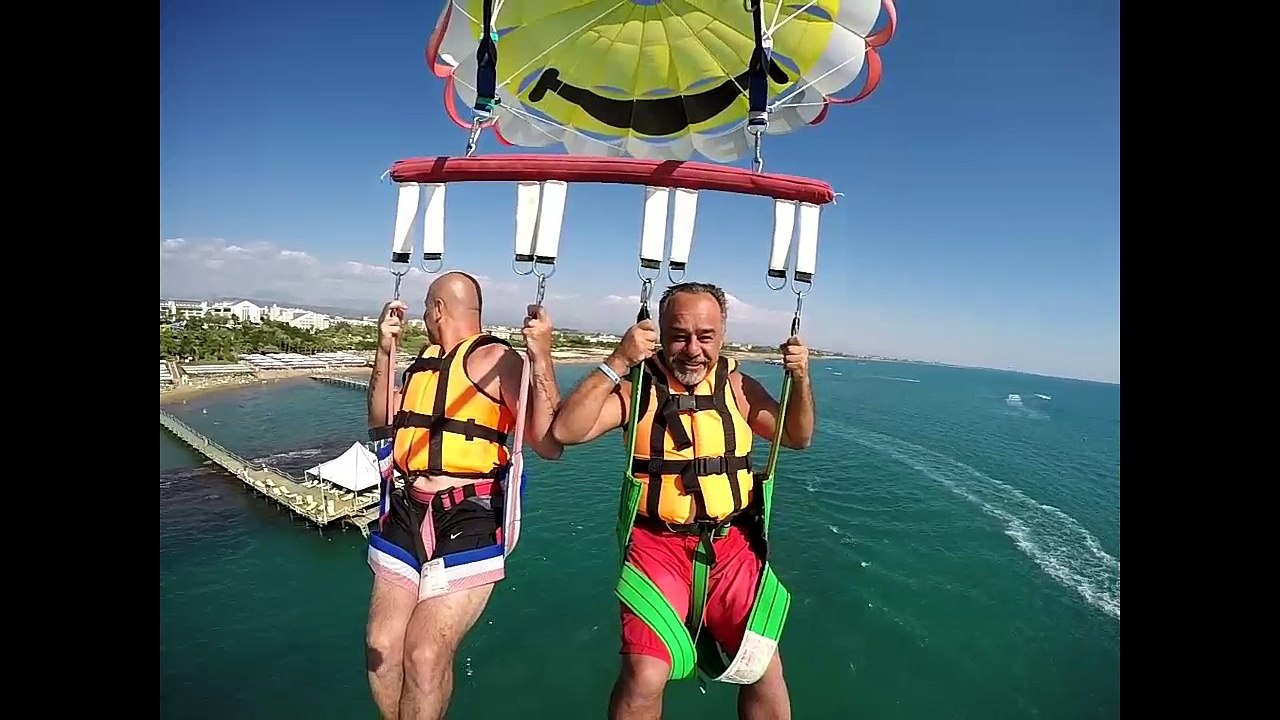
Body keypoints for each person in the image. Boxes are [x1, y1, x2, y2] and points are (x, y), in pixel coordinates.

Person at [550, 281, 814, 720]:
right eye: (679, 335)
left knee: (763, 666)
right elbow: (566, 432)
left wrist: (801, 378)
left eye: (705, 336)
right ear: (660, 334)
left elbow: (798, 436)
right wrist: (617, 361)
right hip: (657, 548)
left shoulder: (739, 388)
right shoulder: (637, 389)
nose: (693, 349)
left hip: (733, 547)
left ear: (722, 333)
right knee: (645, 675)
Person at [363, 271, 563, 720]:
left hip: (470, 515)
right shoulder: (421, 363)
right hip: (406, 507)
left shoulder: (499, 359)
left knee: (425, 655)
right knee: (381, 646)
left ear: (436, 309)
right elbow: (380, 423)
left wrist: (542, 358)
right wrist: (383, 350)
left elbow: (549, 444)